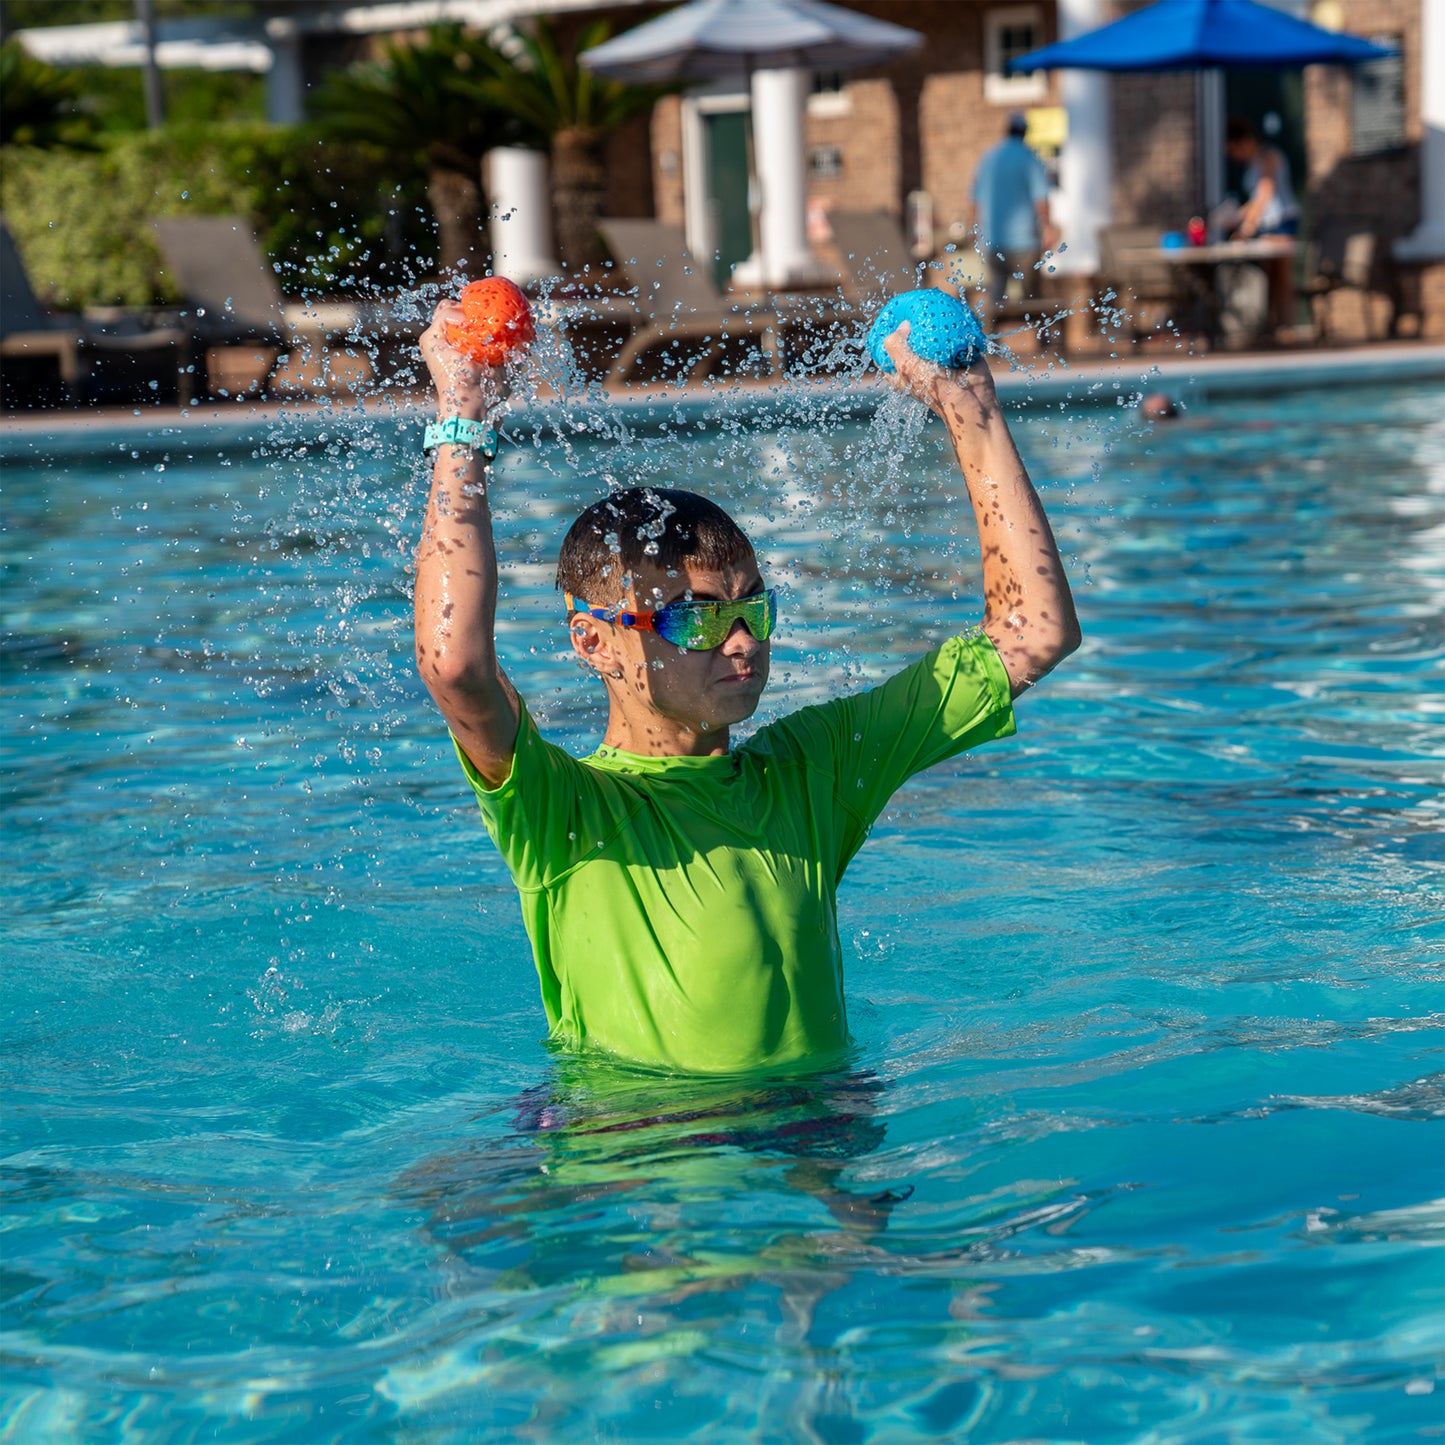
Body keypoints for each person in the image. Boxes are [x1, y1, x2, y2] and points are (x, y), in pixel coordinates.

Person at [412, 300, 1080, 1075]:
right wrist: (461, 418)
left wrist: (971, 408)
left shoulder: (815, 772)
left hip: (816, 1135)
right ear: (593, 640)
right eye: (695, 619)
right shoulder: (566, 812)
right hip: (640, 1154)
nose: (742, 642)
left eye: (753, 608)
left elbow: (1034, 632)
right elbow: (453, 664)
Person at [968, 112, 1058, 318]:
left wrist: (975, 228)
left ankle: (990, 343)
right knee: (1033, 298)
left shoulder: (989, 158)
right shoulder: (1029, 158)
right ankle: (1043, 343)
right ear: (1025, 132)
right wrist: (1048, 228)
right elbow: (1041, 201)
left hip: (993, 240)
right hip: (1025, 242)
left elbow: (975, 201)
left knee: (996, 297)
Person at [1224, 115, 1301, 335]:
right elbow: (1255, 200)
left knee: (1282, 278)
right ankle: (1273, 328)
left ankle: (1288, 330)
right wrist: (1237, 216)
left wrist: (1246, 228)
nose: (1235, 157)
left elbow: (1266, 191)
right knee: (1270, 278)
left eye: (1234, 151)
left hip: (1283, 223)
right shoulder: (1254, 163)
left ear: (1244, 142)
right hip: (1267, 225)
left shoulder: (1268, 156)